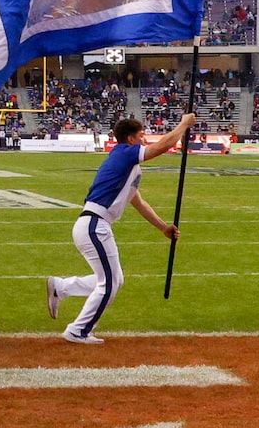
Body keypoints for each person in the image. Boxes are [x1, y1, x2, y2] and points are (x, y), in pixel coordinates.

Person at [47, 111, 197, 343]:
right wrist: (183, 126)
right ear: (131, 139)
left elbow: (138, 202)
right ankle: (78, 330)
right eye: (141, 135)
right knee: (109, 284)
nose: (144, 139)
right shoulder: (125, 154)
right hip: (95, 225)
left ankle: (62, 287)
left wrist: (162, 227)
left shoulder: (128, 167)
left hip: (94, 224)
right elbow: (161, 147)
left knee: (114, 280)